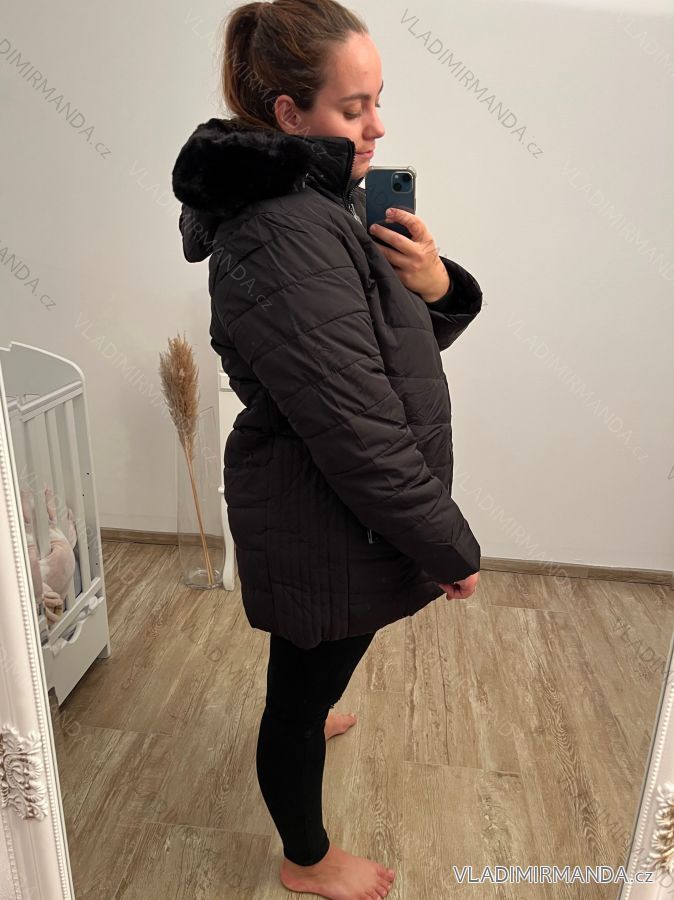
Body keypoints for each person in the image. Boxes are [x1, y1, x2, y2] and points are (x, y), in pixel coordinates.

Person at [172, 1, 482, 896]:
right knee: (295, 698)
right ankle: (305, 858)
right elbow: (358, 430)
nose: (378, 124)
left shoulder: (322, 198)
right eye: (354, 108)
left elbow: (386, 349)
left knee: (321, 661)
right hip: (318, 511)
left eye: (378, 99)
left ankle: (315, 706)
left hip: (337, 510)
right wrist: (447, 545)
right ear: (288, 113)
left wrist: (435, 284)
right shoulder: (279, 232)